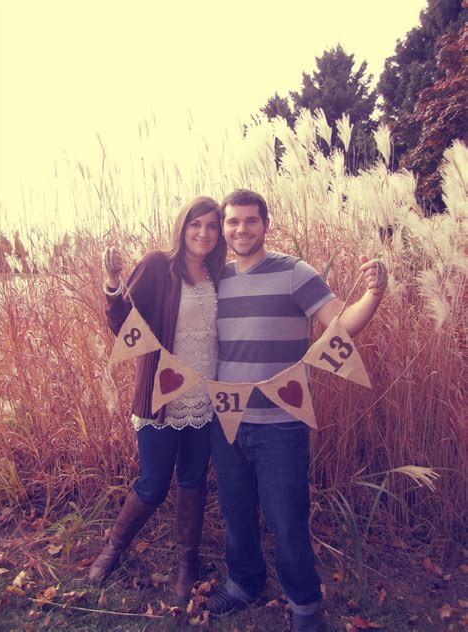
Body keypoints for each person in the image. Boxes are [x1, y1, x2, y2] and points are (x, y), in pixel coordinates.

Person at [207, 189, 388, 632]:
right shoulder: (217, 279)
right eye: (232, 222)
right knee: (236, 514)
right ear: (225, 228)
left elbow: (340, 325)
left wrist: (375, 293)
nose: (240, 229)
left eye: (250, 221)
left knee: (287, 520)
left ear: (265, 224)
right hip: (226, 418)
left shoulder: (293, 272)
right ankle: (244, 582)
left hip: (281, 424)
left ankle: (305, 605)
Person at [89, 196, 227, 601]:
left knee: (193, 480)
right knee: (152, 483)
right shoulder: (156, 265)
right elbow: (124, 323)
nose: (203, 233)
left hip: (206, 399)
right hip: (161, 397)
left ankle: (187, 564)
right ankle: (113, 549)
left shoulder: (220, 274)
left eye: (212, 226)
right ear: (183, 226)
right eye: (195, 224)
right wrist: (113, 285)